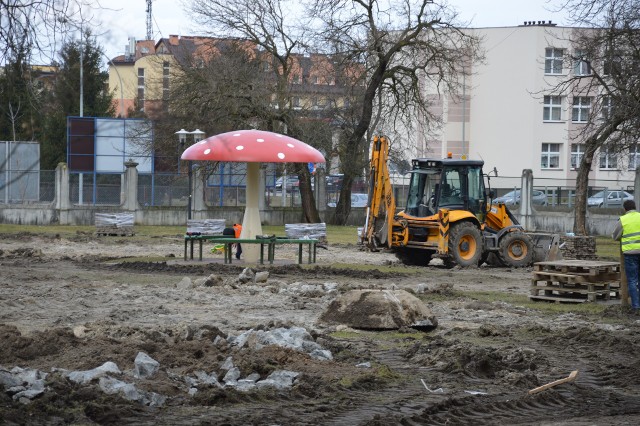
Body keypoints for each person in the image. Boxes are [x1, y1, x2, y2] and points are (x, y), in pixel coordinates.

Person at [612, 199, 640, 311]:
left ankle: (636, 306)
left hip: (630, 253)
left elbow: (615, 236)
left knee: (632, 280)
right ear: (635, 207)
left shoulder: (623, 220)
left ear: (625, 209)